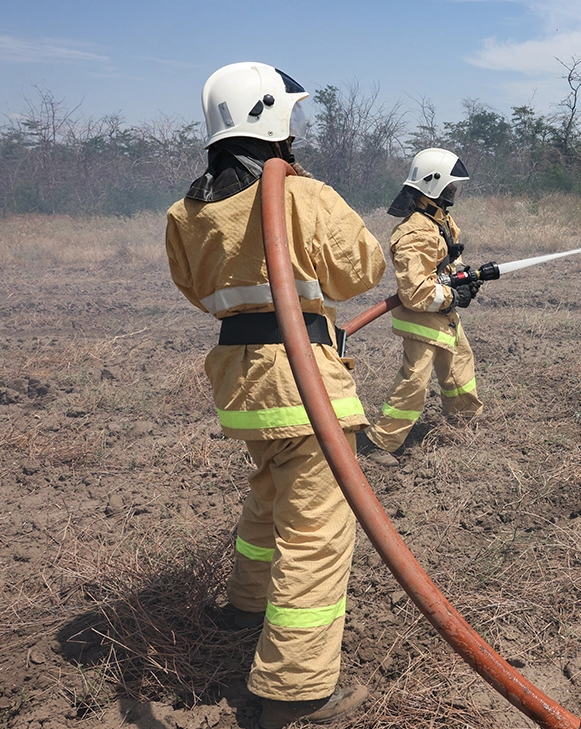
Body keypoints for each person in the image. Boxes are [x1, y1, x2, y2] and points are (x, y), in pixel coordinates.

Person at [165, 62, 386, 729]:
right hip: (304, 383)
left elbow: (199, 291)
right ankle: (295, 691)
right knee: (316, 533)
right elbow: (363, 269)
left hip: (245, 389)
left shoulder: (187, 212)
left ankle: (244, 606)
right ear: (271, 117)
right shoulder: (301, 196)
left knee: (269, 498)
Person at [357, 148, 484, 467]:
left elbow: (447, 260)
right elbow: (415, 291)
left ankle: (463, 421)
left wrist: (463, 277)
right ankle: (378, 443)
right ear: (434, 184)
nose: (454, 191)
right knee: (414, 381)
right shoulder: (414, 230)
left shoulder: (439, 219)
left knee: (460, 364)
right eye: (450, 185)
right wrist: (455, 296)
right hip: (423, 319)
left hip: (443, 315)